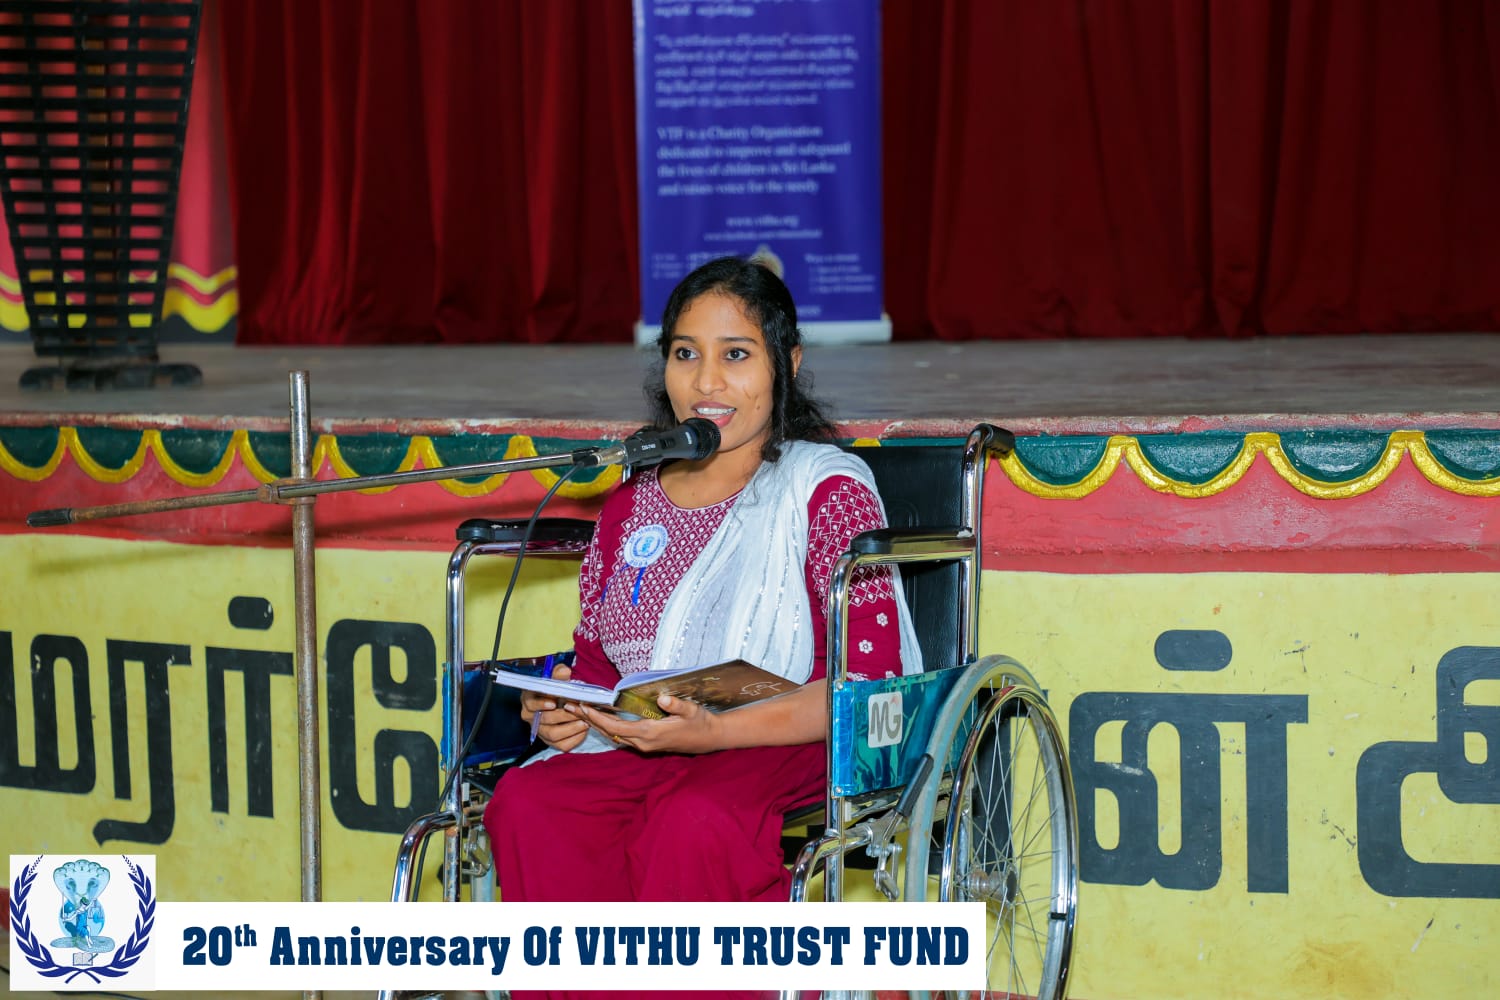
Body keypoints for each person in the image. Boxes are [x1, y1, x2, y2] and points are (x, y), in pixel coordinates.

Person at [482, 256, 920, 998]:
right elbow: (601, 666)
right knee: (530, 807)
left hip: (787, 733)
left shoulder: (825, 492)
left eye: (736, 355)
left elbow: (868, 687)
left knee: (692, 819)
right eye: (686, 354)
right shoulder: (632, 503)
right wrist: (565, 706)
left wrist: (714, 733)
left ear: (786, 364)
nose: (707, 382)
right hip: (650, 737)